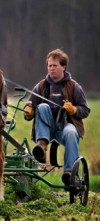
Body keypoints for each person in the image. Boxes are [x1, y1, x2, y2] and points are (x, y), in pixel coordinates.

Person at [23, 48, 90, 186]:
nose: (51, 68)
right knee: (42, 107)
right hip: (45, 130)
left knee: (71, 132)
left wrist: (74, 110)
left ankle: (69, 173)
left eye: (55, 65)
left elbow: (85, 110)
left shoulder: (74, 86)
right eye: (49, 66)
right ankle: (41, 146)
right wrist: (28, 110)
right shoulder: (41, 85)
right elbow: (30, 104)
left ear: (63, 67)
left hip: (65, 126)